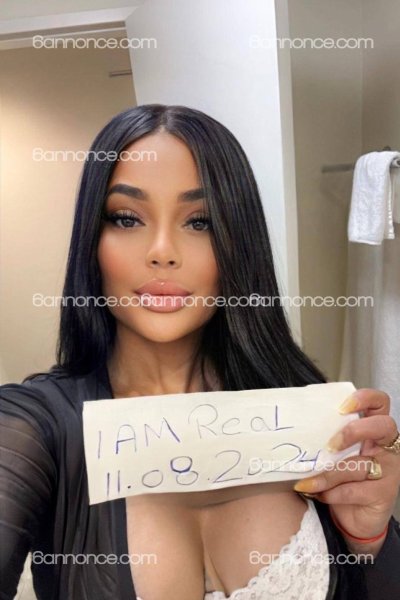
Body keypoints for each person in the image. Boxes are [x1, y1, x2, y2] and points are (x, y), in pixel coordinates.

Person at [1, 104, 400, 600]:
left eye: (200, 222)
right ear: (92, 238)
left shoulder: (306, 415)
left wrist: (369, 540)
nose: (162, 251)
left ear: (239, 243)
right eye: (127, 218)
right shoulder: (33, 429)